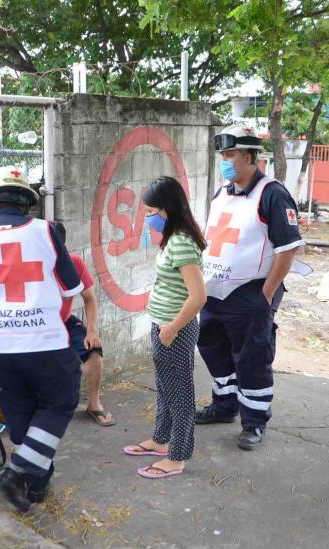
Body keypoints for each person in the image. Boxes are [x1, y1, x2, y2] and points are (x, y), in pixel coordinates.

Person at [0, 166, 83, 512]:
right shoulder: (47, 232)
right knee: (58, 403)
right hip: (46, 343)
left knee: (21, 415)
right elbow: (72, 287)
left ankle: (35, 484)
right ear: (26, 204)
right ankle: (20, 472)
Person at [196, 125, 306, 450]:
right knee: (213, 350)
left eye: (229, 155)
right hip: (214, 291)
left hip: (250, 293)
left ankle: (254, 422)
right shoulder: (222, 193)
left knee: (252, 358)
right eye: (222, 156)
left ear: (249, 157)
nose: (224, 162)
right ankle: (224, 406)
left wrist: (267, 294)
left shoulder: (272, 193)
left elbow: (288, 248)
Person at [123, 176, 207, 479]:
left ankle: (177, 457)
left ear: (167, 209)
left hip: (174, 330)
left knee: (180, 394)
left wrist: (171, 328)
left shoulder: (182, 242)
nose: (147, 217)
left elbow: (198, 296)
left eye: (150, 211)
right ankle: (160, 441)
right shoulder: (174, 238)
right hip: (164, 326)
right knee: (165, 388)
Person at [52, 222, 115, 427]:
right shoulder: (29, 265)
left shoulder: (73, 263)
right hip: (36, 327)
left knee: (94, 349)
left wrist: (92, 331)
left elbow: (90, 298)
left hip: (64, 321)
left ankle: (94, 405)